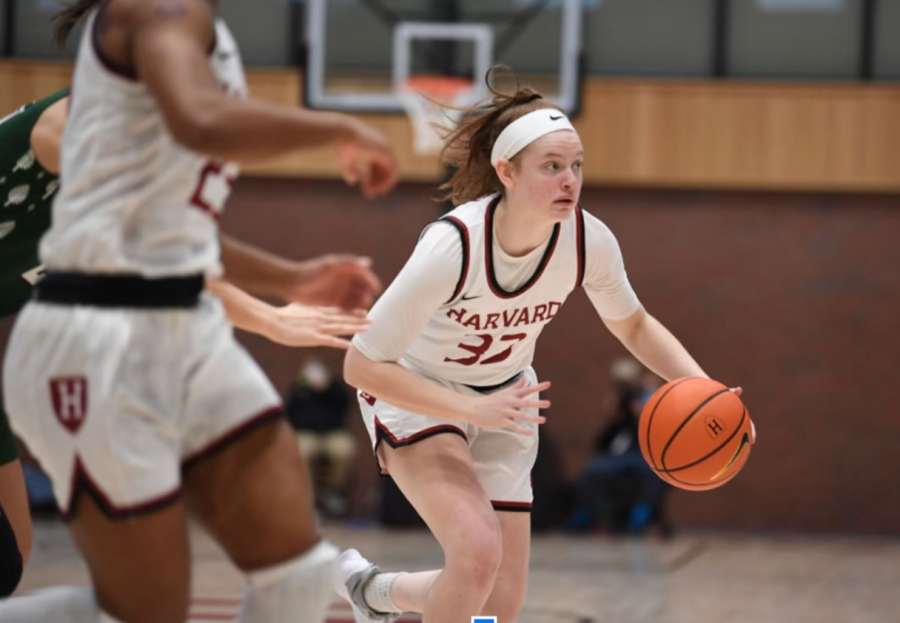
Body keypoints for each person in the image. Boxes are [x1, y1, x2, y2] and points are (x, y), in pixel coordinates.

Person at [0, 0, 398, 620]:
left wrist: (291, 279)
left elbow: (165, 227)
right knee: (136, 608)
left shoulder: (196, 28)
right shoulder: (157, 10)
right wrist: (338, 129)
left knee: (298, 577)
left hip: (182, 325)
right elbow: (199, 120)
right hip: (95, 330)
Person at [334, 66, 742, 623]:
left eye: (576, 166)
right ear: (506, 171)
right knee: (476, 557)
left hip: (506, 402)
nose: (570, 180)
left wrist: (708, 391)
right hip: (418, 396)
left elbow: (635, 324)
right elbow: (360, 365)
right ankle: (375, 592)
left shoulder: (585, 240)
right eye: (552, 167)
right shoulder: (453, 247)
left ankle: (375, 591)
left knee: (498, 603)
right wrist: (469, 408)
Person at [565, 358, 668, 534]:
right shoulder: (618, 400)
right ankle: (587, 516)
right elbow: (610, 418)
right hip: (617, 455)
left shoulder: (647, 395)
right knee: (592, 471)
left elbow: (648, 418)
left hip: (642, 455)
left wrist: (646, 396)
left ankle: (640, 517)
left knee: (654, 475)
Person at [285, 359, 355, 516]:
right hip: (306, 434)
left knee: (344, 450)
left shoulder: (334, 390)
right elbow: (288, 412)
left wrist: (328, 388)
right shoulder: (298, 391)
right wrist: (302, 389)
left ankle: (335, 491)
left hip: (333, 433)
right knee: (302, 453)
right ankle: (311, 500)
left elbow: (345, 404)